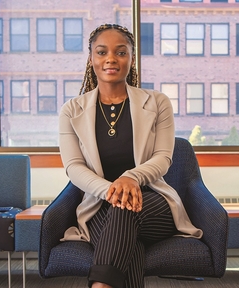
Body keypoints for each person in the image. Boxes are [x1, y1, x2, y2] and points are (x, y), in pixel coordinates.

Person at [57, 24, 203, 288]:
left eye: (121, 52)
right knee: (128, 243)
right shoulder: (71, 110)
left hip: (153, 204)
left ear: (132, 59)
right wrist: (111, 190)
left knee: (126, 212)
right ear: (91, 59)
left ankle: (100, 285)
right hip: (99, 205)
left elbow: (163, 158)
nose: (111, 58)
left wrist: (131, 178)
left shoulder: (157, 102)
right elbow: (74, 167)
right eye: (102, 52)